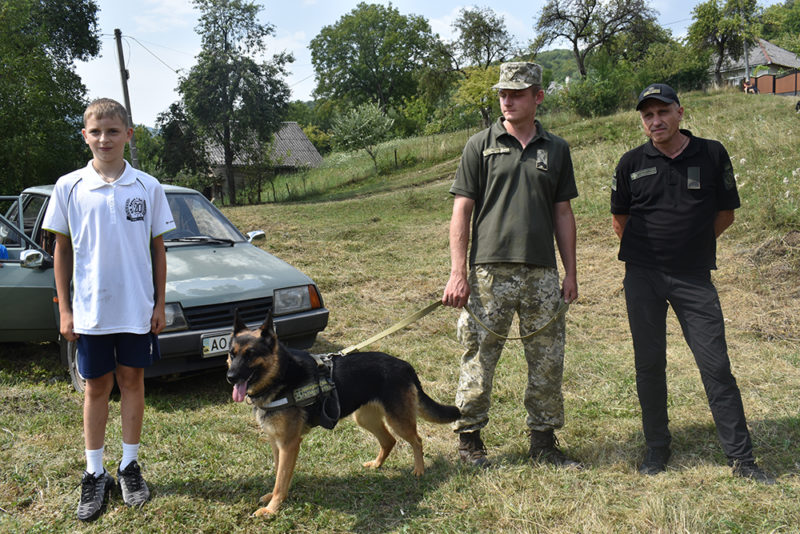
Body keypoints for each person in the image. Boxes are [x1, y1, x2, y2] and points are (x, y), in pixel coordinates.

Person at [610, 83, 774, 484]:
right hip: (643, 278)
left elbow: (726, 213)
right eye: (648, 115)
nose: (656, 121)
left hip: (693, 278)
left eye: (662, 112)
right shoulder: (630, 163)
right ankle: (657, 448)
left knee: (716, 365)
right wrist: (653, 255)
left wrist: (690, 247)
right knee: (649, 364)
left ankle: (742, 459)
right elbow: (620, 220)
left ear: (680, 112)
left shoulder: (712, 153)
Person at [42, 98, 176, 520]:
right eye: (96, 132)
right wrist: (65, 310)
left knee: (132, 381)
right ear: (85, 135)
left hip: (136, 309)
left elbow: (158, 249)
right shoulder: (69, 186)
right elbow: (62, 249)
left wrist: (159, 303)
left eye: (113, 131)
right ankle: (94, 472)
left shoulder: (148, 187)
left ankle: (129, 466)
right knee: (96, 387)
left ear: (128, 135)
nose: (105, 139)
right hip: (91, 311)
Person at [441, 62, 580, 468]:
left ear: (538, 97)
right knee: (479, 355)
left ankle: (543, 442)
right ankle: (469, 441)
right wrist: (457, 273)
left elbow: (563, 213)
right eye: (503, 93)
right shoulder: (479, 145)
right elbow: (461, 211)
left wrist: (570, 272)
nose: (507, 100)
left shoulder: (557, 149)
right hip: (489, 273)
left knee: (548, 358)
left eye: (517, 93)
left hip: (542, 273)